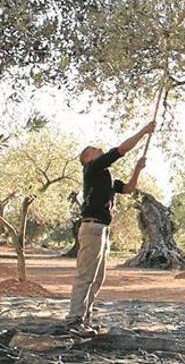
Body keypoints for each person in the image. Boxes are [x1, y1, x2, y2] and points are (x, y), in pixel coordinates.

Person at [64, 121, 155, 335]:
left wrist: (137, 170)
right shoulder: (92, 168)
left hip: (102, 229)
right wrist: (143, 131)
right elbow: (121, 150)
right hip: (92, 227)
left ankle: (84, 318)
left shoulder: (105, 177)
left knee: (97, 277)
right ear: (87, 158)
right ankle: (73, 320)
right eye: (93, 149)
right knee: (85, 275)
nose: (98, 148)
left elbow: (129, 188)